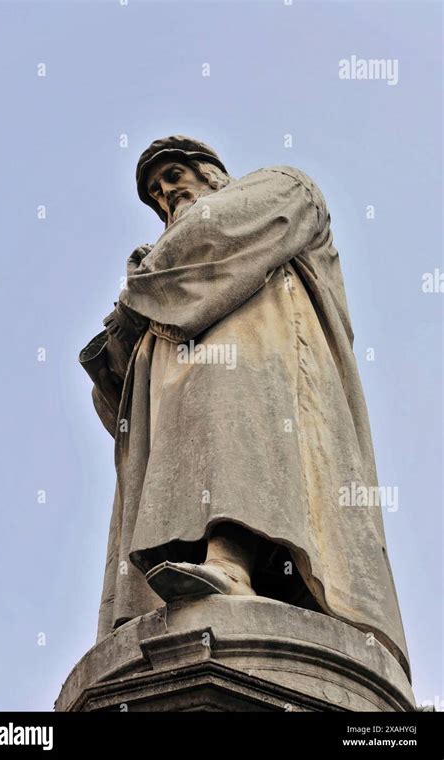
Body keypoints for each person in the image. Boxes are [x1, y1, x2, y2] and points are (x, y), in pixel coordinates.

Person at [79, 135, 411, 681]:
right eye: (156, 193)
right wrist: (135, 315)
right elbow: (118, 397)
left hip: (262, 367)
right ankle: (170, 595)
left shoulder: (283, 187)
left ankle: (231, 565)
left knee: (242, 440)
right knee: (199, 453)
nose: (166, 195)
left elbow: (210, 239)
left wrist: (140, 287)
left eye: (174, 177)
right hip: (181, 404)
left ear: (210, 172)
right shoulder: (155, 281)